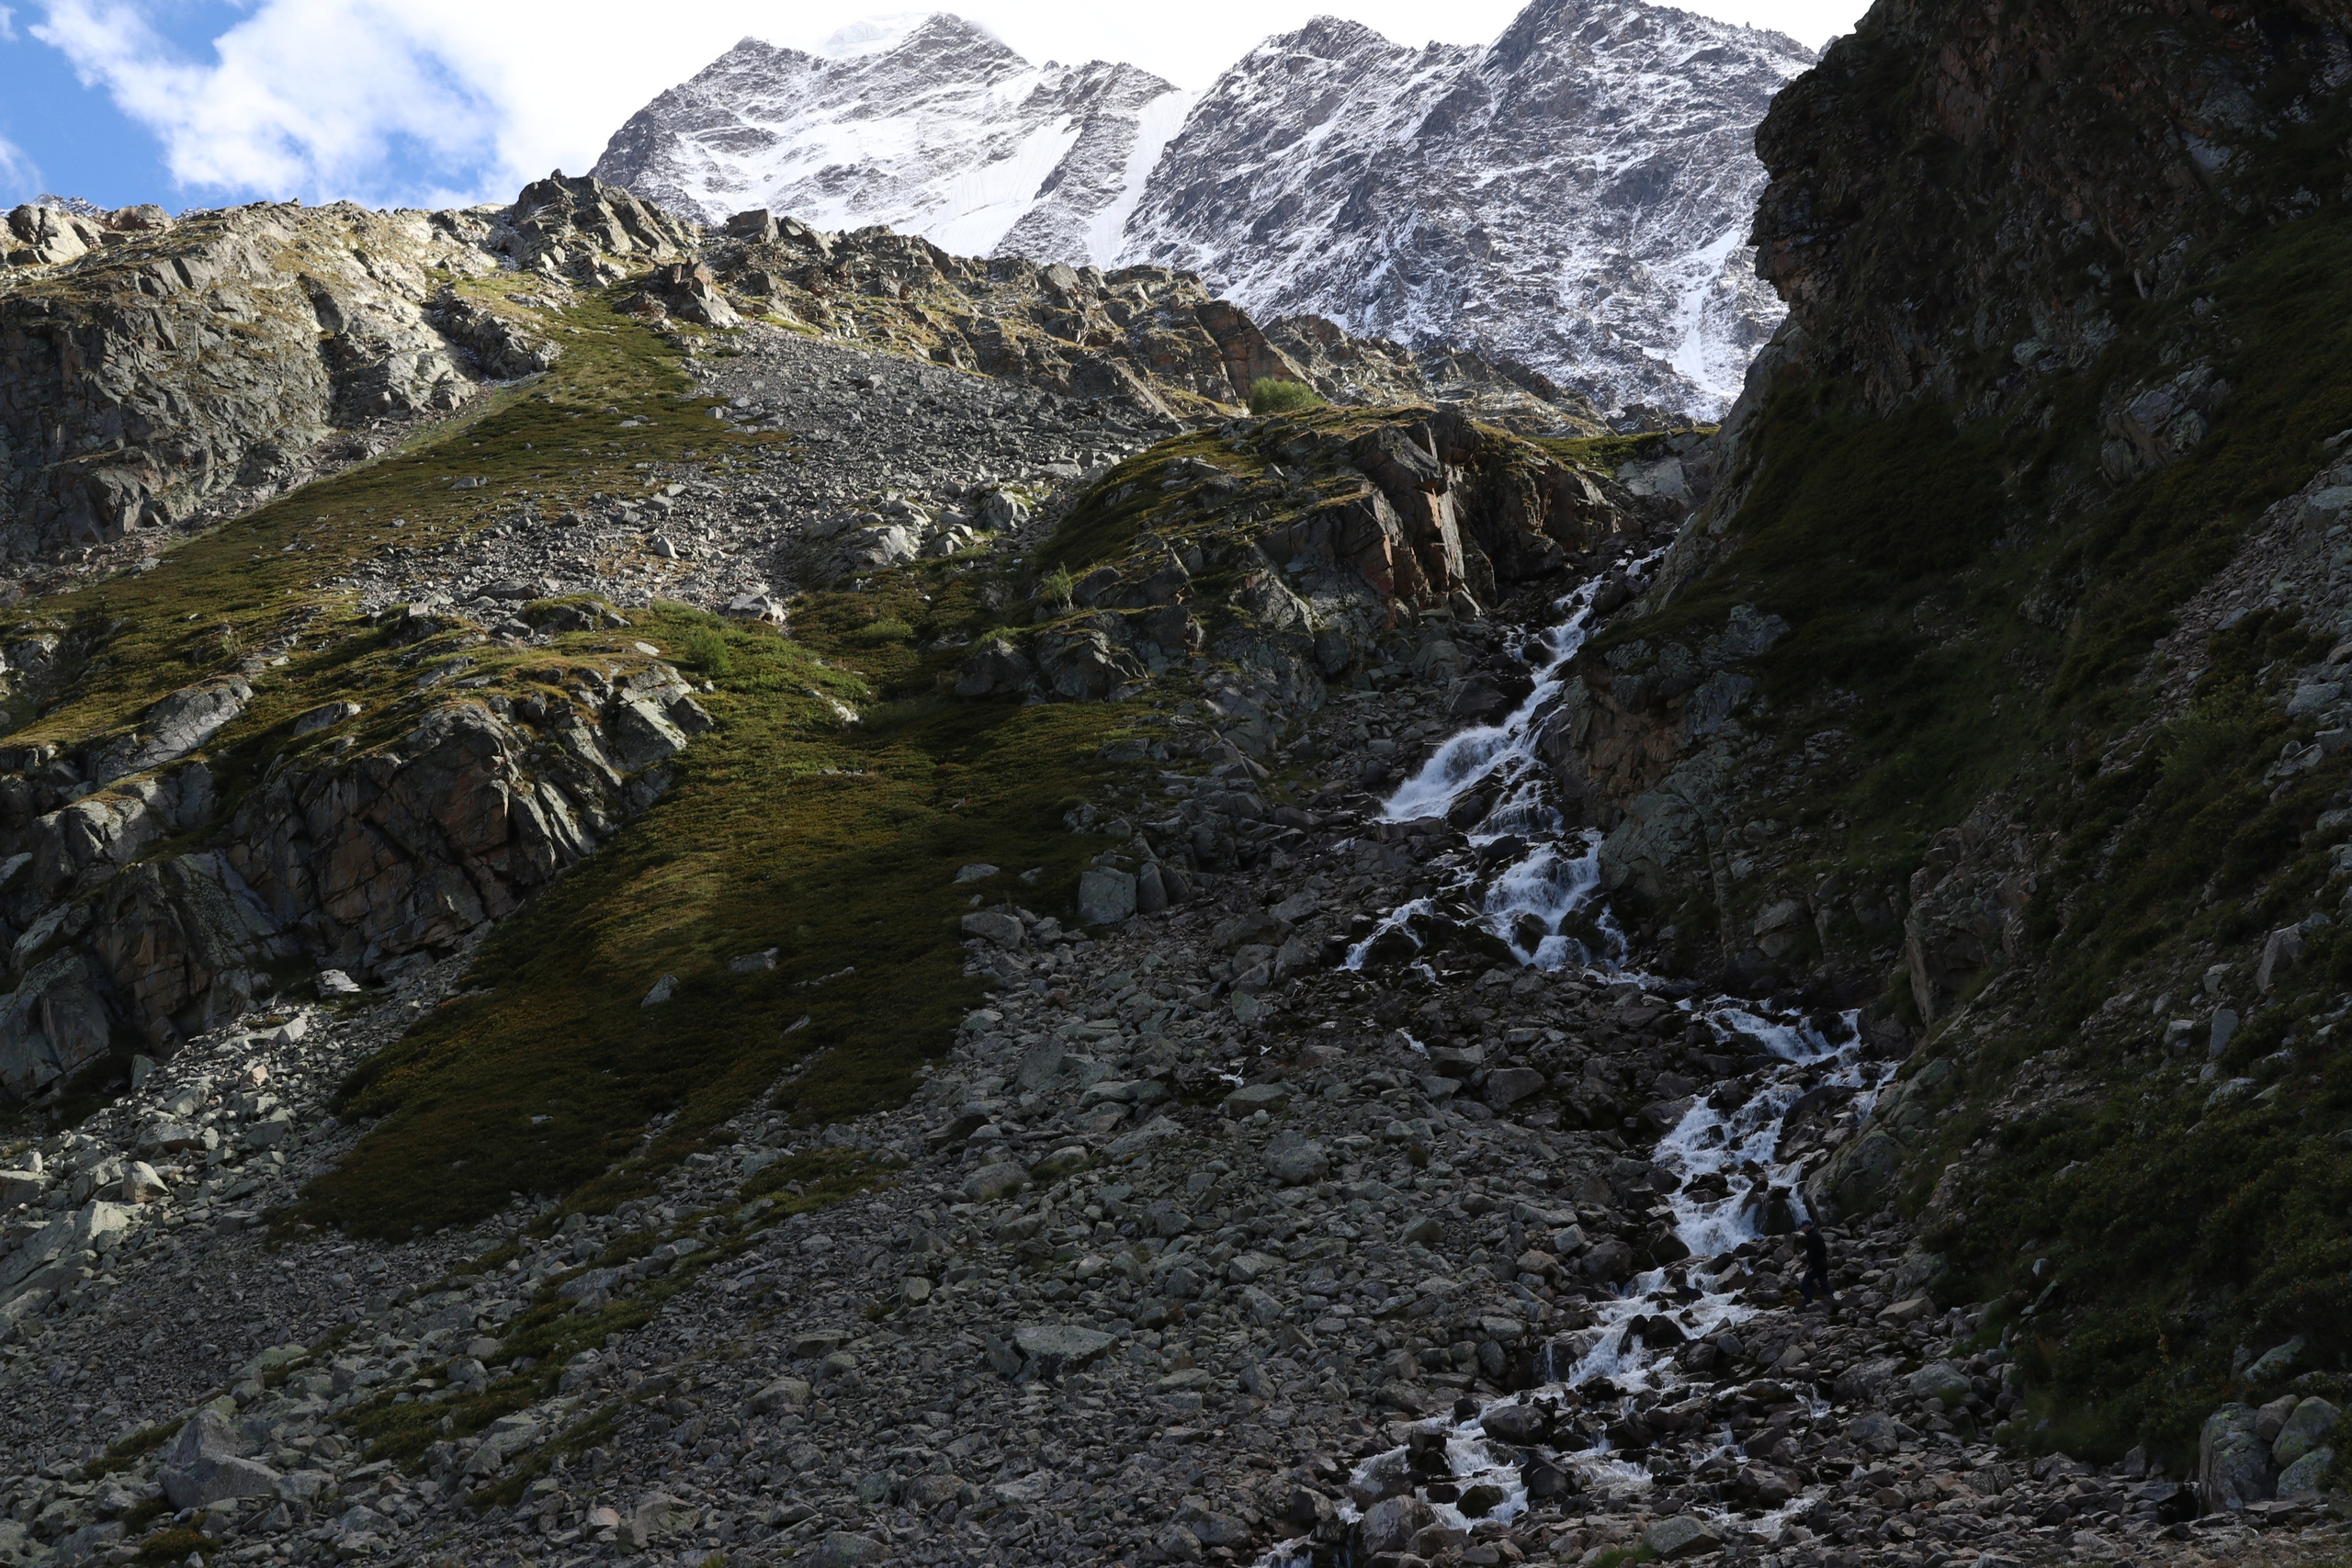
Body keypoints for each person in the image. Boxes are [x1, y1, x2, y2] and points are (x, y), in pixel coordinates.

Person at [1798, 1218, 1835, 1307]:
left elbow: (1812, 1253)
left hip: (1816, 1265)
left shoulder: (1811, 1236)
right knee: (1824, 1284)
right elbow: (1823, 1250)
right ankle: (1833, 1302)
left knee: (1805, 1283)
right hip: (1823, 1263)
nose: (1802, 1230)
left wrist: (1811, 1266)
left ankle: (1809, 1304)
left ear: (1807, 1227)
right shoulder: (1817, 1234)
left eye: (1802, 1227)